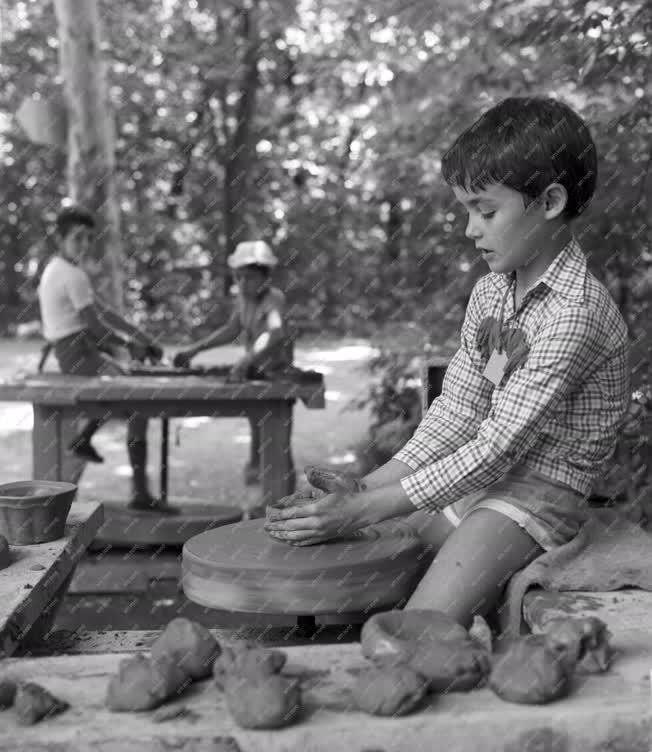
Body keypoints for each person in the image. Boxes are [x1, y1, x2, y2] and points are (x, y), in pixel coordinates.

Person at [264, 96, 631, 631]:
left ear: (550, 202)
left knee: (417, 627)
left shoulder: (576, 313)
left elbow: (497, 445)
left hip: (540, 495)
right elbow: (456, 413)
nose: (469, 230)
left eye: (486, 211)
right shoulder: (490, 295)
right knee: (365, 575)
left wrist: (369, 508)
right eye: (465, 210)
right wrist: (364, 491)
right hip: (482, 482)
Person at [38, 205, 164, 511]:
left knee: (131, 397)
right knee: (137, 400)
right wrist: (130, 346)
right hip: (76, 351)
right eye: (78, 238)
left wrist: (141, 338)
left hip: (78, 350)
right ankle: (139, 493)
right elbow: (94, 326)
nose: (84, 244)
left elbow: (104, 314)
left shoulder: (60, 268)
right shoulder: (71, 274)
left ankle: (87, 445)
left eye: (88, 238)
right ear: (61, 237)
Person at [174, 240, 296, 490]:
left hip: (278, 377)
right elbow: (231, 330)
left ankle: (285, 501)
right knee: (258, 434)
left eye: (249, 277)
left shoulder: (274, 298)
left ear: (265, 277)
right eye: (239, 277)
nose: (243, 283)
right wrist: (194, 349)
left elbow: (275, 334)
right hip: (255, 375)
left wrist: (247, 358)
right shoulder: (243, 299)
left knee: (279, 443)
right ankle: (262, 500)